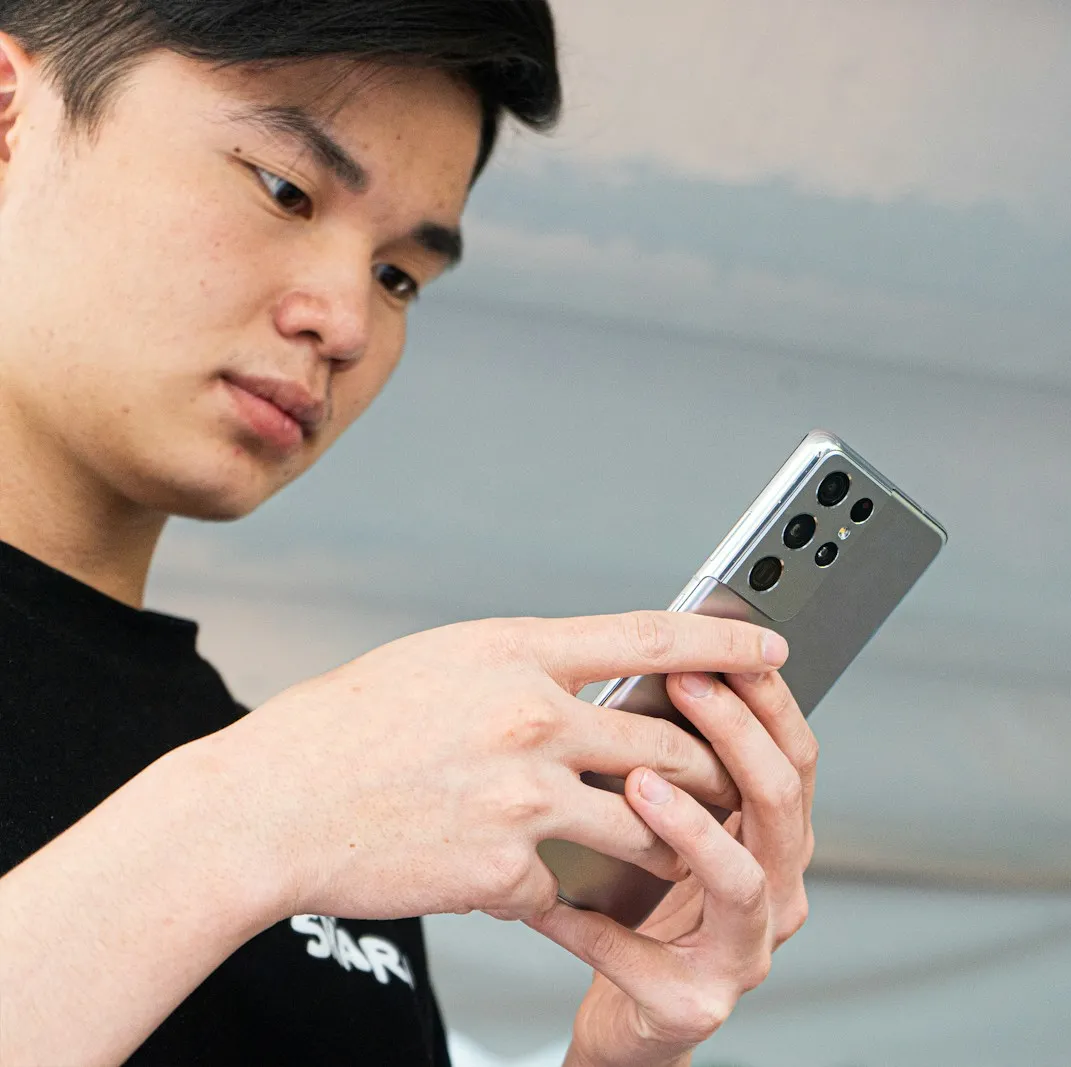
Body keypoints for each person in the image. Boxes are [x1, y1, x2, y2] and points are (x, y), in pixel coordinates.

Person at [0, 2, 817, 1064]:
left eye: (399, 277)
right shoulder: (293, 789)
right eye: (284, 188)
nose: (344, 321)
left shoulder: (332, 815)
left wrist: (624, 1050)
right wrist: (262, 808)